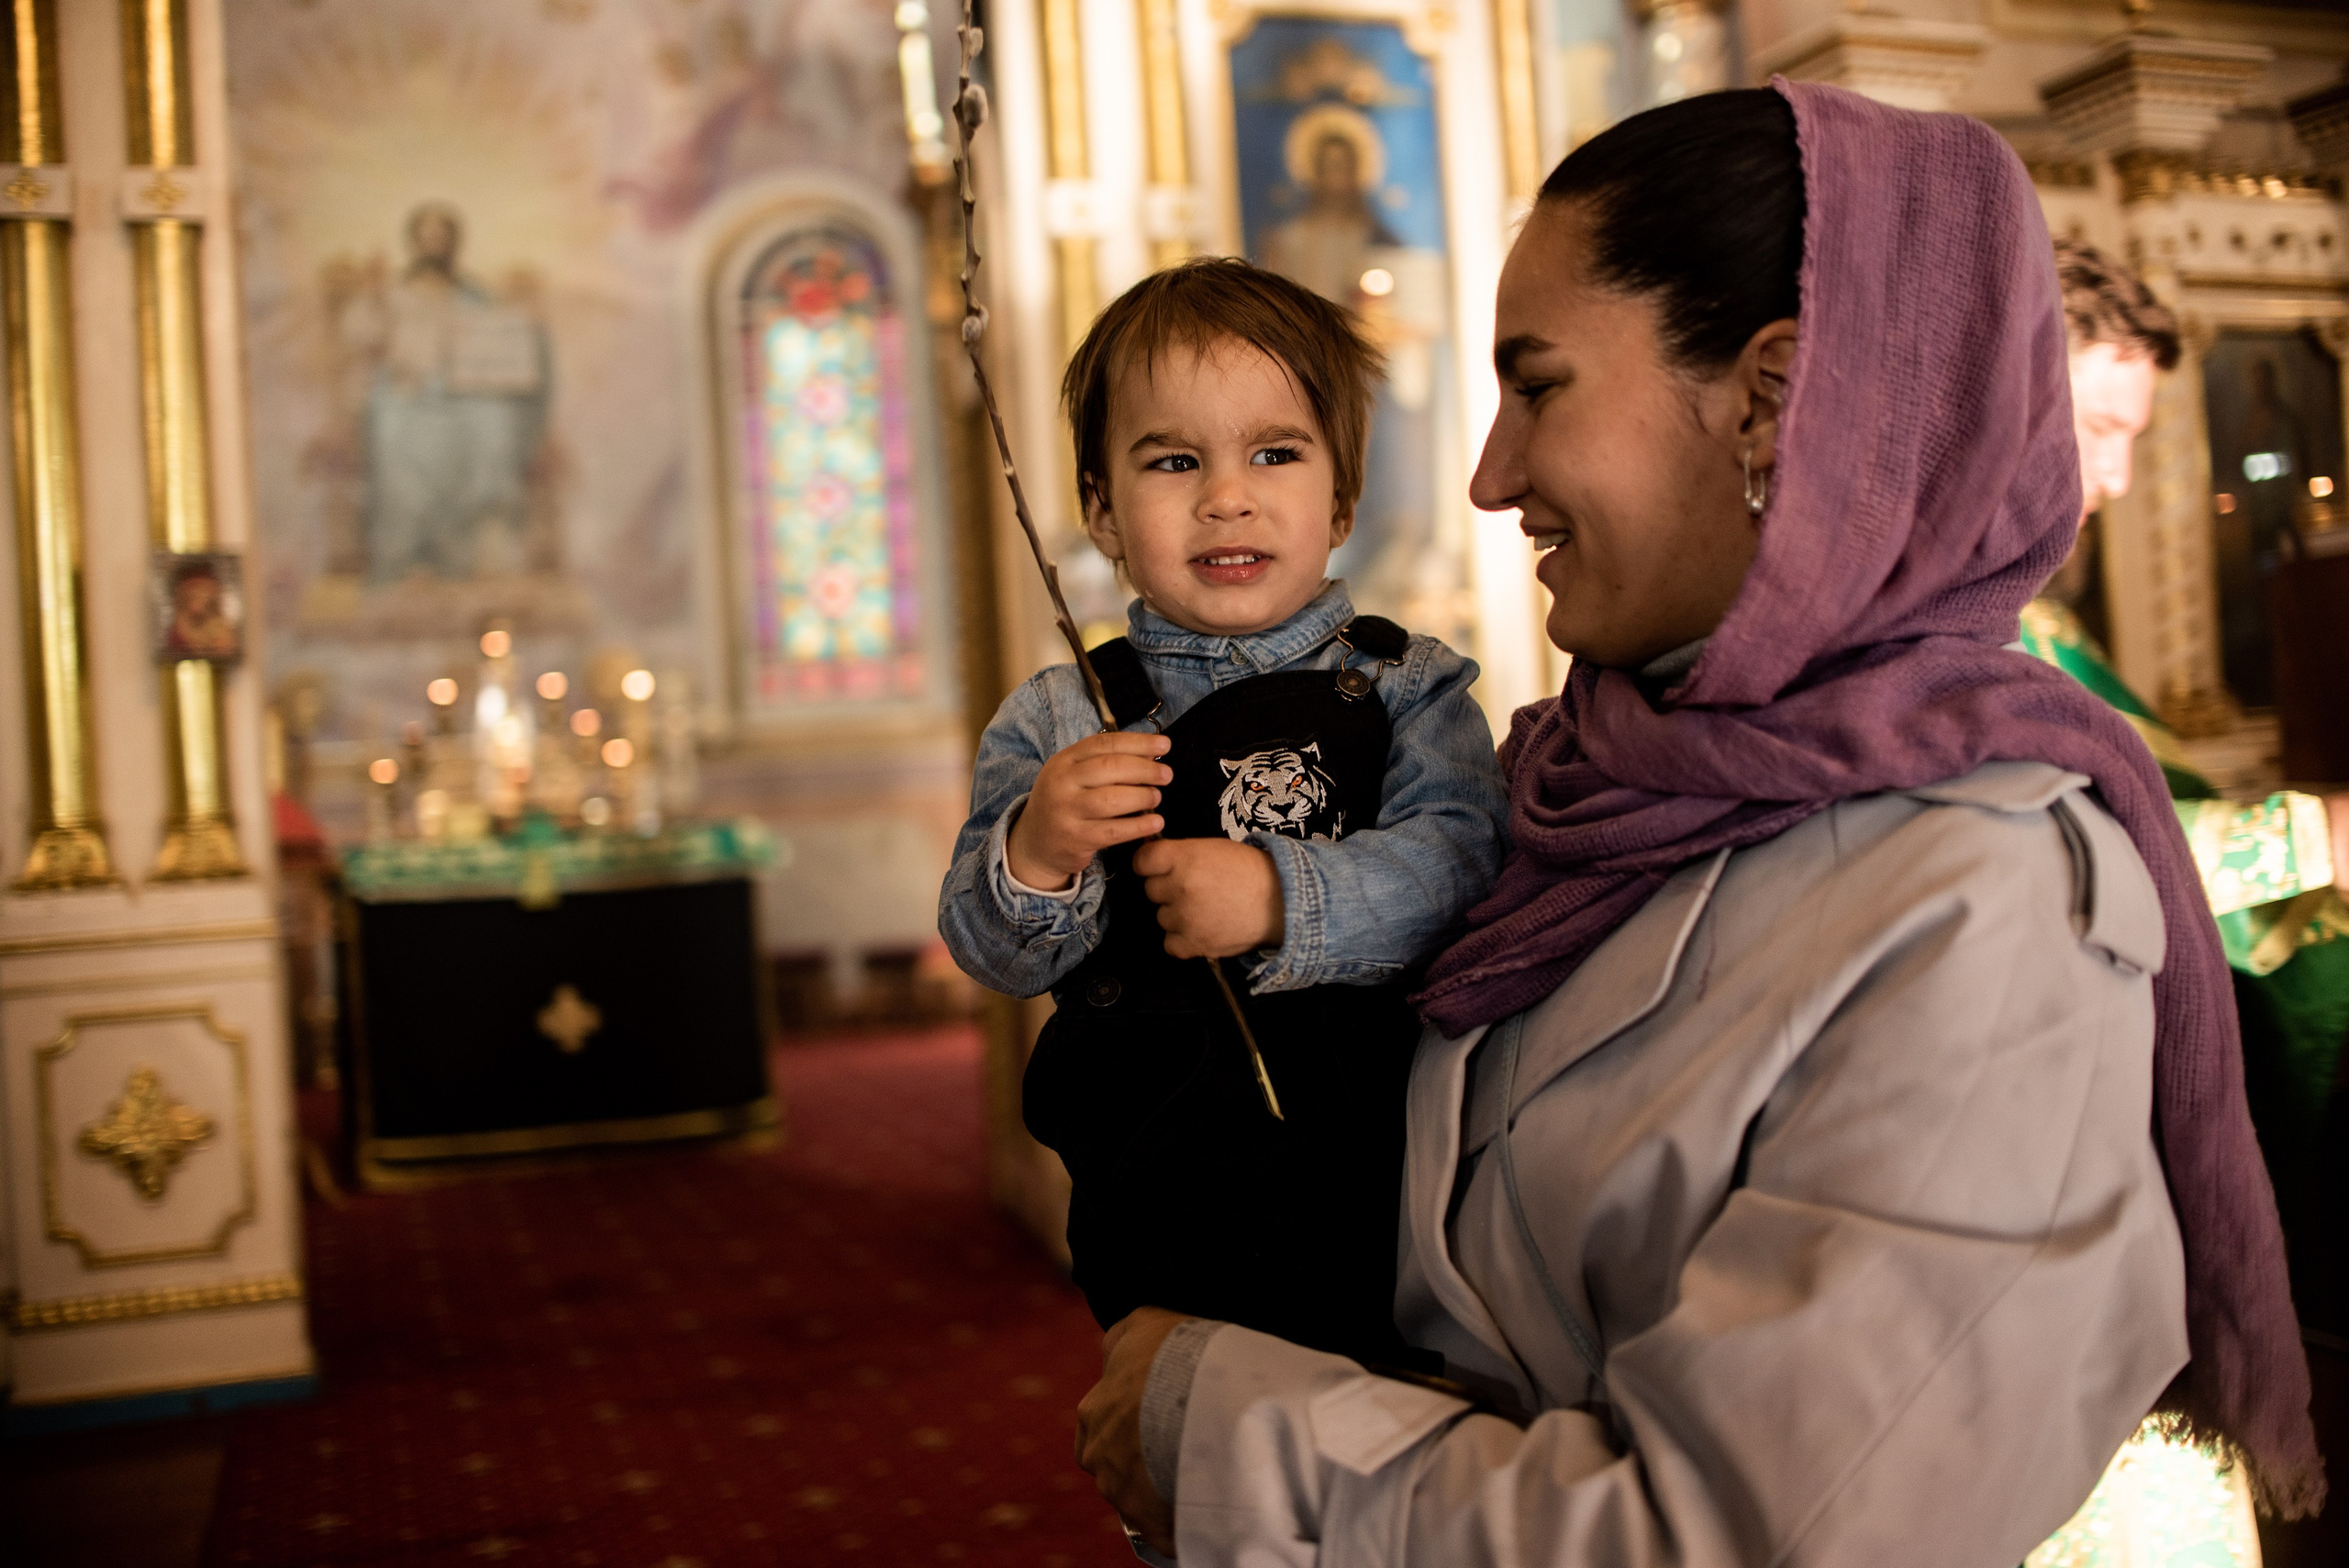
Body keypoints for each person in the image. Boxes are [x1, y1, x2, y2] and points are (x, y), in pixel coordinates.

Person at [1072, 84, 2321, 1565]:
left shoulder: (1982, 914)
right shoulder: (1588, 785)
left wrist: (1228, 1429)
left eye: (1538, 386)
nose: (1490, 473)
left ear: (1768, 398)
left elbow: (1736, 1535)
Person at [937, 261, 1509, 1369]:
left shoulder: (1407, 687)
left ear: (1341, 497)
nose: (1226, 496)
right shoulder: (1062, 713)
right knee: (1190, 1403)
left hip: (1378, 1149)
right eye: (1173, 461)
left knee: (1382, 1402)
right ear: (1099, 507)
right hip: (1161, 1161)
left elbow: (1466, 862)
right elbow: (989, 949)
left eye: (1275, 453)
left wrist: (1281, 896)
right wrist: (1039, 850)